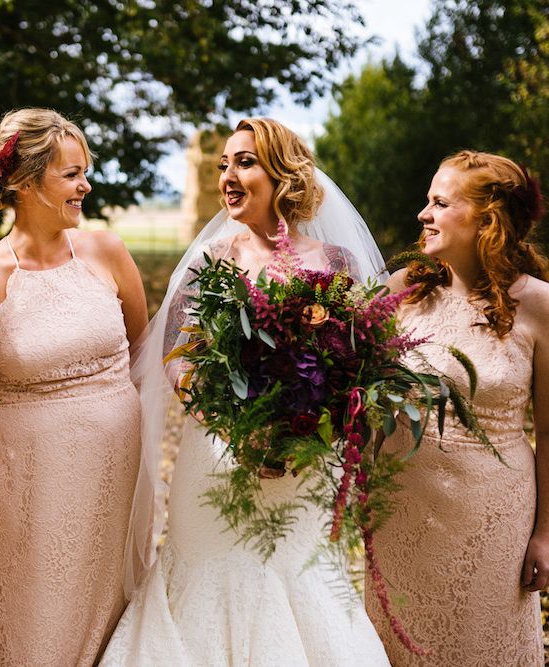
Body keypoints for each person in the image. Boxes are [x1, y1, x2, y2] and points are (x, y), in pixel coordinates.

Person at [101, 118, 390, 666]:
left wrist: (303, 430)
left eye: (244, 163)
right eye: (222, 166)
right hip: (218, 457)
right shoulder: (213, 261)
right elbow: (176, 358)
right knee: (209, 570)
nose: (228, 177)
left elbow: (359, 368)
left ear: (283, 174)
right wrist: (243, 428)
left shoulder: (337, 266)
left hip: (306, 463)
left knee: (299, 575)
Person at [0, 108, 147, 666]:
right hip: (35, 479)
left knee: (118, 601)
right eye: (71, 175)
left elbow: (143, 351)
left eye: (85, 172)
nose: (86, 185)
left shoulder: (108, 252)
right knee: (41, 615)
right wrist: (27, 452)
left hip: (121, 469)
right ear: (27, 182)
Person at [365, 150, 548, 665]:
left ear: (487, 219)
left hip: (492, 515)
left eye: (440, 203)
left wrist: (547, 534)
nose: (423, 214)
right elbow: (350, 385)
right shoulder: (402, 292)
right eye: (427, 201)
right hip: (401, 507)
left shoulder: (538, 305)